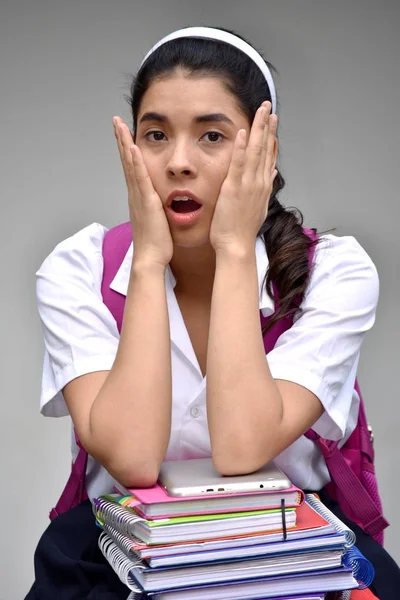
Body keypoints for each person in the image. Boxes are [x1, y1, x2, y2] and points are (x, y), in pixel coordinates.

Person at [26, 26, 400, 600]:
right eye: (155, 135)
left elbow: (241, 445)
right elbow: (131, 459)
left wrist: (233, 252)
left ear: (264, 150)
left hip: (293, 554)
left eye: (211, 136)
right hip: (117, 557)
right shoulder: (77, 268)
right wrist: (148, 261)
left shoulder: (338, 272)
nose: (178, 162)